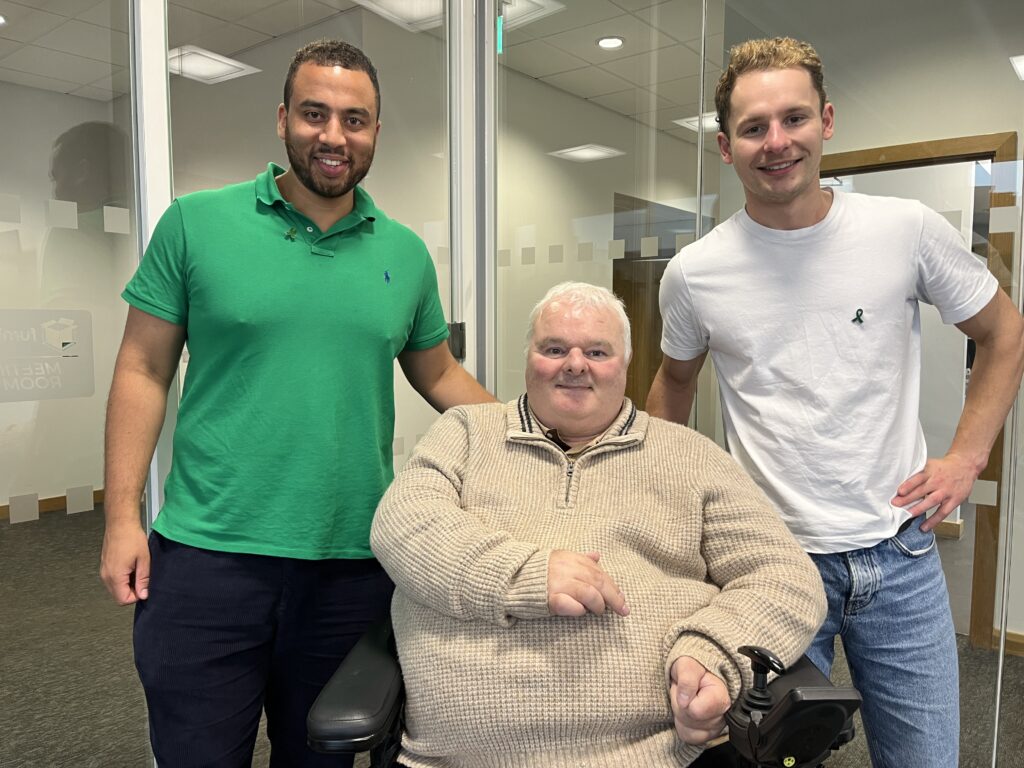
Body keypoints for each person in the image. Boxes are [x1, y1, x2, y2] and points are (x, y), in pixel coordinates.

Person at [99, 39, 494, 768]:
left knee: (327, 755)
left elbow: (439, 374)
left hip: (350, 567)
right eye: (315, 114)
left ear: (377, 131)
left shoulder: (405, 254)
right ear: (283, 119)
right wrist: (122, 516)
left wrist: (536, 432)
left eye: (355, 119)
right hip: (206, 561)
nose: (334, 136)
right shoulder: (196, 223)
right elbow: (142, 368)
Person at [647, 36, 1024, 768]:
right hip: (768, 562)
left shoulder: (903, 229)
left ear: (826, 120)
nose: (777, 141)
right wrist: (655, 504)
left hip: (901, 553)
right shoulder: (696, 274)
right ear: (726, 147)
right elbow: (673, 385)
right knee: (762, 759)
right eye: (754, 128)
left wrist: (966, 458)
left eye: (794, 119)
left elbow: (1003, 331)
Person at [370, 281, 826, 767]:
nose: (574, 364)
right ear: (528, 357)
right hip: (460, 757)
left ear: (625, 365)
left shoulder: (690, 455)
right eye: (553, 348)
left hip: (656, 755)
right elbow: (403, 524)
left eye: (597, 351)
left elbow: (785, 575)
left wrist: (711, 655)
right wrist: (522, 574)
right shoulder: (466, 432)